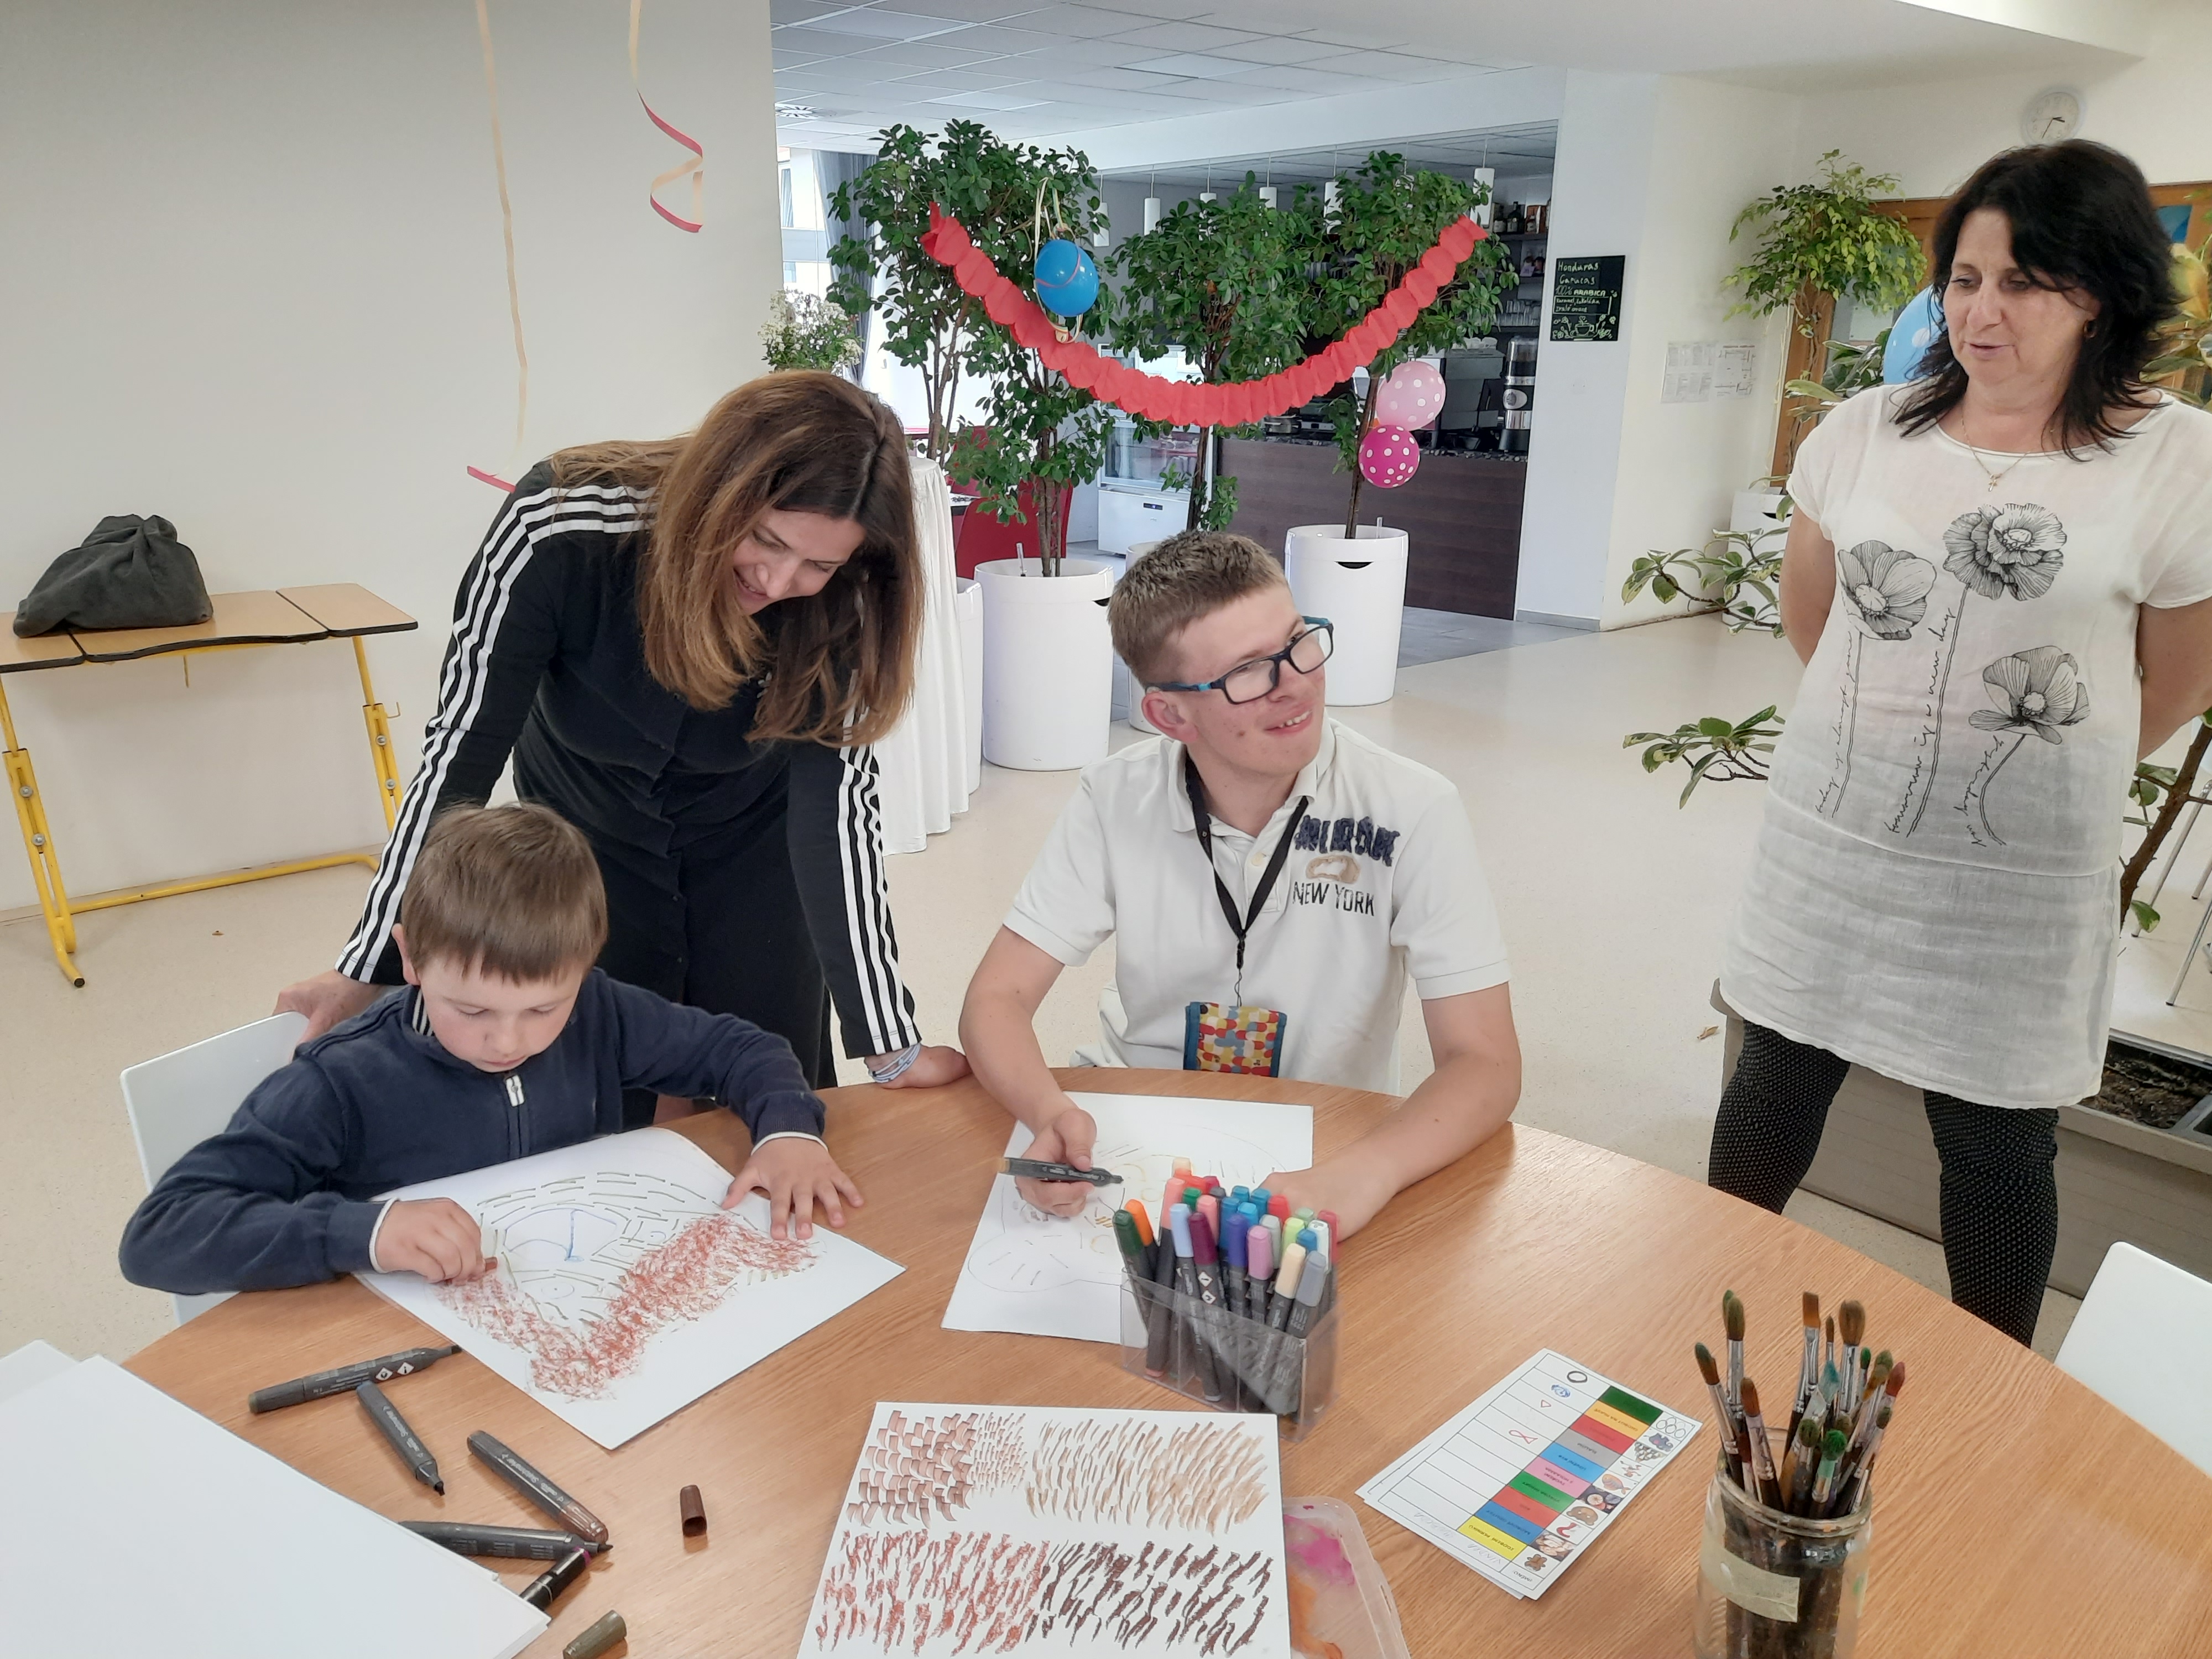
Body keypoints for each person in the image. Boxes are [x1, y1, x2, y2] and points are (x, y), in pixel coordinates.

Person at [1712, 140, 2212, 1345]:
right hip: (1832, 845)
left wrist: (2028, 765)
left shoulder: (2178, 460)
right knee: (1774, 1079)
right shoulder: (1865, 430)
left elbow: (2172, 687)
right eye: (1966, 279)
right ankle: (1701, 1292)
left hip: (2014, 886)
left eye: (2024, 283)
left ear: (2104, 296)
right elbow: (1813, 620)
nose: (1982, 313)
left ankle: (1995, 1382)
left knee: (1995, 1136)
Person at [275, 372, 967, 1113]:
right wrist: (367, 965)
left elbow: (837, 816)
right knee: (599, 1082)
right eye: (765, 540)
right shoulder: (558, 522)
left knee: (770, 1078)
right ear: (721, 488)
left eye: (817, 566)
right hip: (588, 818)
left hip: (750, 828)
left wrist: (890, 1044)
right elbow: (460, 750)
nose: (777, 580)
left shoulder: (853, 594)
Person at [958, 530, 1520, 1238]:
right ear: (1169, 715)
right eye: (1247, 672)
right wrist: (1048, 1113)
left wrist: (1368, 1172)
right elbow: (996, 998)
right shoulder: (1114, 797)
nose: (1295, 684)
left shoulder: (1411, 808)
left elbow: (1485, 1061)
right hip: (1137, 1132)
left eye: (1298, 643)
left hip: (1333, 1138)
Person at [120, 803, 861, 1296]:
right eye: (470, 1010)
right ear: (411, 960)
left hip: (568, 1302)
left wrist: (789, 1131)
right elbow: (162, 1235)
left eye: (543, 1008)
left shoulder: (598, 1010)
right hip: (406, 1339)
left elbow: (741, 1049)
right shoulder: (337, 1082)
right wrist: (366, 1230)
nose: (508, 1040)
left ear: (584, 966)